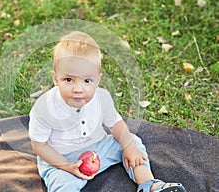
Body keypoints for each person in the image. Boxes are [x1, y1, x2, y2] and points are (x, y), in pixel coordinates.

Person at [28, 31, 186, 192]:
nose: (78, 89)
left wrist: (129, 146)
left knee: (132, 142)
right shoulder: (44, 108)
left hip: (98, 149)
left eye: (87, 81)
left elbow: (115, 124)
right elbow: (39, 146)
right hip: (60, 159)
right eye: (68, 80)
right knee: (63, 183)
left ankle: (150, 185)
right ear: (56, 79)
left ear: (97, 80)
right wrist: (68, 166)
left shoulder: (101, 98)